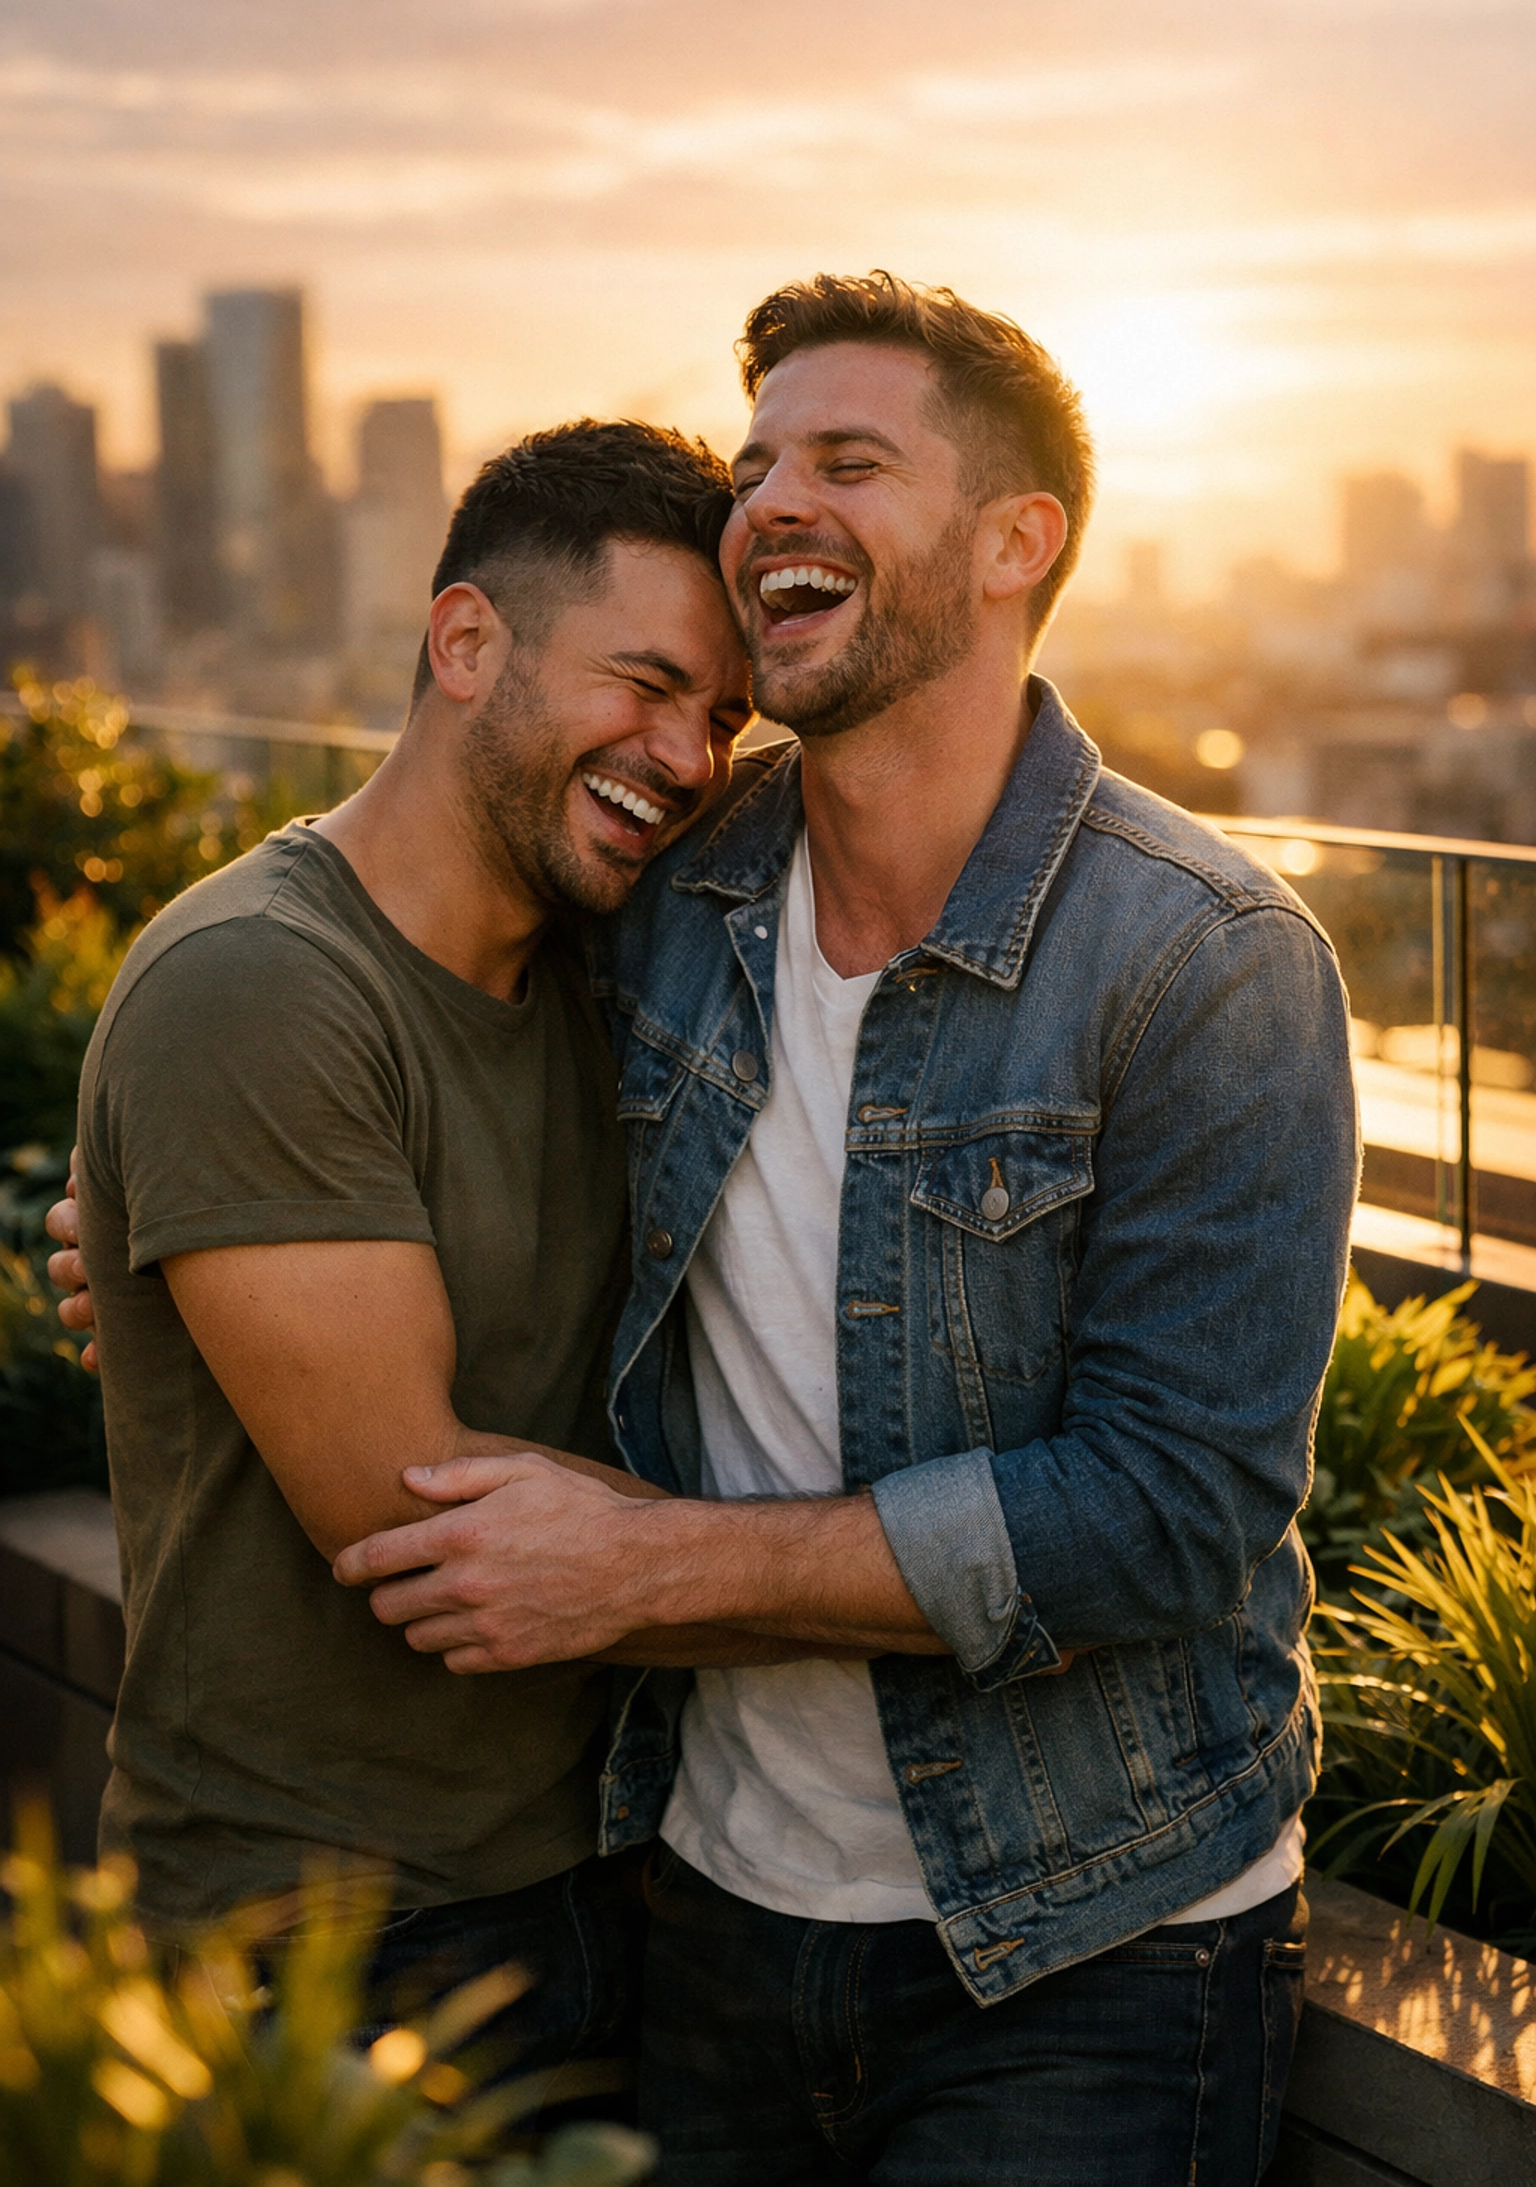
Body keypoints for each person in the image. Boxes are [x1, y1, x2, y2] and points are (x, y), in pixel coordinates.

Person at [337, 274, 1359, 2185]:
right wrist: (175, 1186)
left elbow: (1164, 1510)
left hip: (1090, 1949)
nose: (767, 504)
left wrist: (644, 1573)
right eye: (755, 464)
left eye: (846, 459)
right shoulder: (671, 890)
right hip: (707, 1906)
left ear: (1012, 541)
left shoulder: (1206, 962)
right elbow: (413, 1016)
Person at [55, 419, 763, 2092]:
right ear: (464, 643)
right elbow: (430, 1539)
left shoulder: (621, 981)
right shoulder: (259, 986)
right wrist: (897, 1572)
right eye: (644, 682)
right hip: (325, 1947)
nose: (683, 755)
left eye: (722, 717)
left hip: (610, 1879)